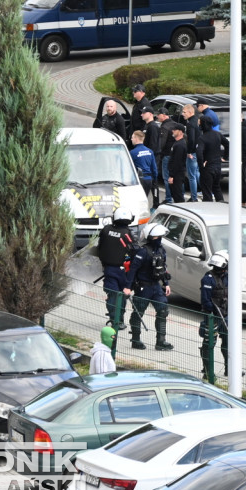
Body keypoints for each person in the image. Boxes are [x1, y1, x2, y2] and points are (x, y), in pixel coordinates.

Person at [124, 223, 174, 351]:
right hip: (143, 288)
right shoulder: (143, 252)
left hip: (156, 287)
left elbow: (162, 267)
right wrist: (128, 287)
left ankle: (160, 342)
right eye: (157, 237)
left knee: (163, 310)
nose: (160, 239)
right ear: (151, 237)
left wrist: (166, 284)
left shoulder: (161, 250)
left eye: (161, 236)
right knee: (138, 313)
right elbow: (133, 270)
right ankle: (135, 340)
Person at [98, 207, 136, 329]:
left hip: (109, 269)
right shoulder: (128, 234)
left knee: (113, 295)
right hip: (124, 271)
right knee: (121, 296)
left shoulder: (106, 230)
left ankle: (114, 319)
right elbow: (134, 250)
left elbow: (99, 247)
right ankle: (118, 320)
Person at [199, 251, 230, 378]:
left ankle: (230, 368)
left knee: (229, 342)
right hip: (212, 316)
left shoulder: (228, 277)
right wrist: (214, 310)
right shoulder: (208, 279)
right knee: (209, 342)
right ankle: (207, 371)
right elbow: (205, 301)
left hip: (226, 315)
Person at [198, 123, 226, 202]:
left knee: (206, 190)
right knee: (216, 187)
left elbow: (199, 153)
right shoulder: (217, 134)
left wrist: (201, 166)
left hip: (208, 167)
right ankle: (221, 206)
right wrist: (225, 157)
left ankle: (209, 208)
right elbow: (227, 144)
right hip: (217, 165)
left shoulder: (202, 138)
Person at [130, 130, 158, 203]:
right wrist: (154, 179)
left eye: (132, 137)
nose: (131, 139)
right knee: (144, 199)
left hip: (139, 180)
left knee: (136, 201)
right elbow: (154, 168)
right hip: (148, 179)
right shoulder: (150, 151)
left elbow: (129, 169)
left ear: (136, 138)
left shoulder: (133, 152)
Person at [181, 104, 201, 202]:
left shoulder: (190, 124)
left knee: (191, 176)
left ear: (190, 112)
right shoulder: (197, 121)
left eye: (184, 112)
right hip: (198, 151)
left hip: (192, 152)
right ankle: (201, 192)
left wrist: (189, 152)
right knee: (197, 173)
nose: (182, 114)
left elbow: (191, 139)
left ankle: (194, 197)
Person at [167, 128, 188, 203]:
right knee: (175, 193)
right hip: (177, 173)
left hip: (177, 174)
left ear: (180, 132)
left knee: (177, 194)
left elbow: (177, 161)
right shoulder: (177, 143)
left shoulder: (180, 145)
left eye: (175, 129)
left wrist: (172, 176)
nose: (173, 130)